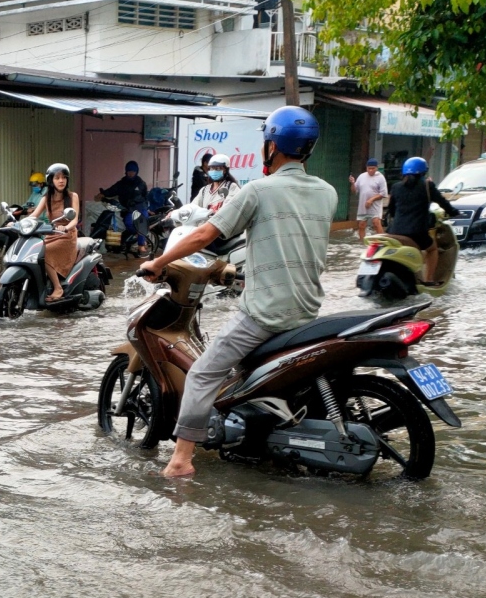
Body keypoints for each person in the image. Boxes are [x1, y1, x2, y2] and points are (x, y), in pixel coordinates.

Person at [138, 106, 337, 480]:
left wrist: (158, 262)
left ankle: (180, 460)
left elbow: (203, 235)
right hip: (307, 309)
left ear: (273, 146)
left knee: (201, 374)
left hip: (266, 313)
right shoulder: (327, 192)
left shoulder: (256, 190)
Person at [384, 157, 457, 283]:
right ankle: (429, 280)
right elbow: (442, 202)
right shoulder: (427, 186)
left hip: (394, 232)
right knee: (432, 249)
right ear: (423, 172)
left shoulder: (396, 187)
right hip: (416, 233)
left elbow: (392, 210)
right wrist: (454, 212)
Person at [31, 162, 80, 300]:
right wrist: (17, 223)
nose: (61, 181)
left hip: (67, 236)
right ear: (51, 180)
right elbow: (33, 215)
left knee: (44, 254)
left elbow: (74, 220)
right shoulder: (46, 198)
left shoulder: (72, 196)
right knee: (34, 252)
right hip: (51, 234)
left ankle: (58, 289)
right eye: (57, 178)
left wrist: (66, 227)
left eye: (64, 177)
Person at [99, 159, 150, 252]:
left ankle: (141, 245)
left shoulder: (141, 183)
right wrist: (103, 193)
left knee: (141, 223)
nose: (131, 173)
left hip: (141, 207)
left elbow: (145, 195)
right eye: (129, 171)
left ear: (136, 172)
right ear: (126, 171)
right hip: (129, 209)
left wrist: (148, 208)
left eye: (133, 171)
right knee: (129, 224)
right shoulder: (122, 183)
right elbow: (112, 190)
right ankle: (139, 235)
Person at [349, 158, 389, 241]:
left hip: (375, 205)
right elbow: (354, 191)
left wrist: (371, 200)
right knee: (361, 225)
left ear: (376, 168)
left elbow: (383, 193)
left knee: (376, 223)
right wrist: (353, 183)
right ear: (366, 168)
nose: (371, 170)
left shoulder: (380, 178)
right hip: (363, 205)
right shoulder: (362, 176)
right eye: (369, 168)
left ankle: (381, 242)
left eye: (373, 168)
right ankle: (363, 243)